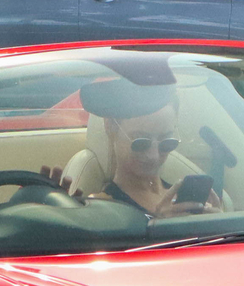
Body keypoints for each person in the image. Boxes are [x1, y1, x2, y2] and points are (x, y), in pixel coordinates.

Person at [80, 78, 222, 218]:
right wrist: (161, 227)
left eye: (166, 143)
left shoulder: (185, 201)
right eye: (141, 142)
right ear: (110, 127)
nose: (153, 156)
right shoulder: (102, 206)